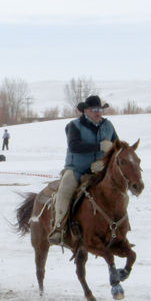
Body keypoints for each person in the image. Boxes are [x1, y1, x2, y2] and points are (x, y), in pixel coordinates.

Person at [47, 95, 118, 245]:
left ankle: (120, 227)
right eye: (94, 110)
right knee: (65, 191)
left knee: (118, 191)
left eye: (100, 109)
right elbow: (74, 146)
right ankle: (59, 228)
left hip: (100, 169)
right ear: (86, 110)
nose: (98, 113)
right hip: (77, 169)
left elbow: (116, 147)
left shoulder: (108, 126)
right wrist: (99, 147)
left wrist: (105, 161)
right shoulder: (74, 125)